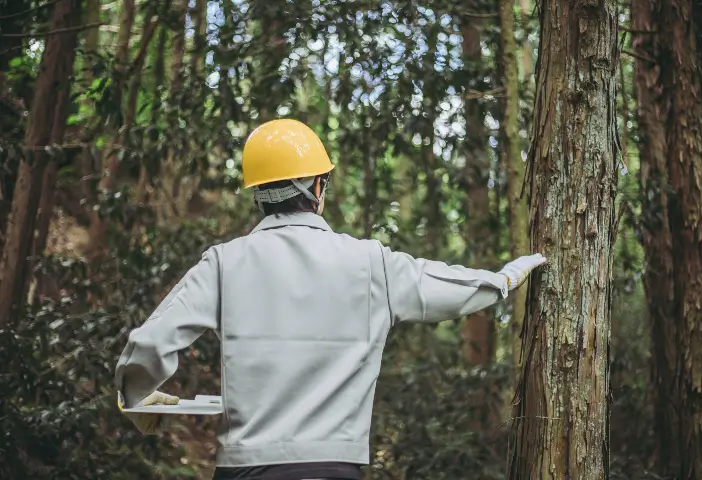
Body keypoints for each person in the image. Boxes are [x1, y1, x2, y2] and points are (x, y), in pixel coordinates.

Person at [115, 119, 547, 480]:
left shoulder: (223, 263)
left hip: (246, 469)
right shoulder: (370, 262)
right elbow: (446, 287)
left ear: (258, 193)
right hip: (334, 468)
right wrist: (503, 279)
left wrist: (138, 396)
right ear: (318, 187)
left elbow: (152, 342)